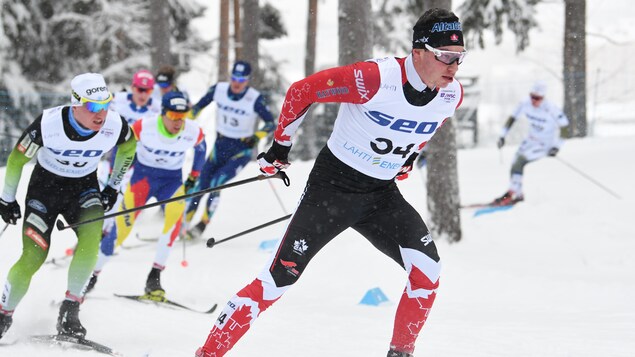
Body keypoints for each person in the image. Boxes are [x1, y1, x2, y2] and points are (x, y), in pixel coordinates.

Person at [195, 8, 466, 357]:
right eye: (445, 56)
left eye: (459, 58)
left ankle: (400, 353)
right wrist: (280, 146)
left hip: (380, 196)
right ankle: (208, 352)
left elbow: (430, 124)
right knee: (278, 279)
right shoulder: (374, 78)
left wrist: (408, 157)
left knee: (428, 271)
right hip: (332, 189)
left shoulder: (450, 95)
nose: (453, 67)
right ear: (418, 51)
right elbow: (301, 91)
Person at [0, 73, 136, 340]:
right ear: (76, 104)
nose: (101, 114)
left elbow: (129, 146)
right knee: (33, 257)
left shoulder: (115, 125)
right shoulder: (48, 124)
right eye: (94, 106)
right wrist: (7, 199)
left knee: (91, 241)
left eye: (106, 104)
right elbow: (16, 160)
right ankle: (4, 314)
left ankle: (70, 310)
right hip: (44, 191)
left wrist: (112, 186)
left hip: (83, 189)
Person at [86, 91, 207, 297]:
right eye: (174, 116)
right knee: (120, 232)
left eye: (183, 116)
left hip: (171, 182)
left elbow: (201, 150)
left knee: (173, 224)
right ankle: (92, 276)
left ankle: (154, 277)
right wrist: (119, 172)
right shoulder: (145, 126)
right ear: (163, 113)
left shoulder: (193, 131)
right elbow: (123, 147)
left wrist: (193, 178)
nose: (179, 122)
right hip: (143, 181)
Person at [183, 60, 275, 240]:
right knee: (202, 184)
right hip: (220, 145)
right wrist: (185, 121)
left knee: (217, 182)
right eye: (234, 78)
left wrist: (256, 136)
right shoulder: (219, 90)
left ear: (247, 80)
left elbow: (271, 123)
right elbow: (198, 106)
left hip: (241, 150)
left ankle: (202, 225)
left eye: (241, 79)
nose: (237, 83)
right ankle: (184, 223)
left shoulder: (254, 98)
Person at [493, 81, 569, 205]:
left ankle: (514, 194)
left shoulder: (551, 109)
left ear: (543, 98)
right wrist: (502, 136)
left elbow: (565, 128)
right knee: (514, 162)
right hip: (530, 140)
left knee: (519, 161)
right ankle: (516, 193)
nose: (534, 101)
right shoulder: (525, 104)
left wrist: (557, 147)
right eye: (532, 96)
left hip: (544, 144)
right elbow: (512, 118)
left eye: (537, 98)